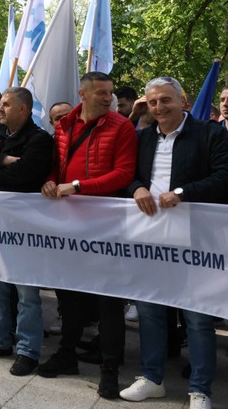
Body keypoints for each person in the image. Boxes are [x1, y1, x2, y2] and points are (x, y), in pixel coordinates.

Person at [119, 77, 228, 409]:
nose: (158, 108)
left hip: (195, 240)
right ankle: (152, 379)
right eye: (152, 103)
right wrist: (136, 188)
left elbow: (224, 176)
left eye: (165, 100)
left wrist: (182, 194)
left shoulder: (211, 134)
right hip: (150, 238)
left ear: (182, 100)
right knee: (151, 311)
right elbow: (126, 173)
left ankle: (200, 390)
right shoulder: (141, 139)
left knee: (197, 316)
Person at [39, 71, 137, 399]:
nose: (108, 98)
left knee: (108, 299)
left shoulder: (122, 126)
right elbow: (58, 164)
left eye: (109, 93)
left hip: (106, 225)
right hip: (69, 224)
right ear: (83, 93)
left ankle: (110, 369)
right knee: (69, 294)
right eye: (101, 93)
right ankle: (67, 354)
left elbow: (124, 173)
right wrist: (51, 181)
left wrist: (78, 186)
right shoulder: (64, 125)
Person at [0, 87, 54, 376]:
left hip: (24, 229)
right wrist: (3, 161)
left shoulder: (40, 140)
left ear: (23, 110)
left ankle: (28, 350)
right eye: (0, 104)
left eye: (5, 104)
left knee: (26, 291)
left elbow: (26, 174)